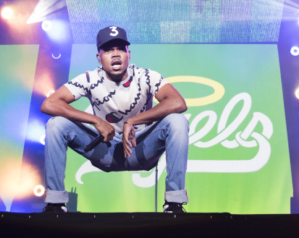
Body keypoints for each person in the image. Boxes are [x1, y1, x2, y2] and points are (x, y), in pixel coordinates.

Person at [40, 26, 189, 214]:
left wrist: (132, 121)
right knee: (56, 124)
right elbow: (49, 104)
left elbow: (178, 102)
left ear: (129, 54)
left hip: (141, 148)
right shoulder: (89, 79)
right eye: (109, 50)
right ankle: (55, 205)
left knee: (178, 120)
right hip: (106, 150)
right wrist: (95, 120)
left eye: (120, 49)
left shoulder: (146, 76)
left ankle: (174, 204)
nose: (116, 54)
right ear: (99, 57)